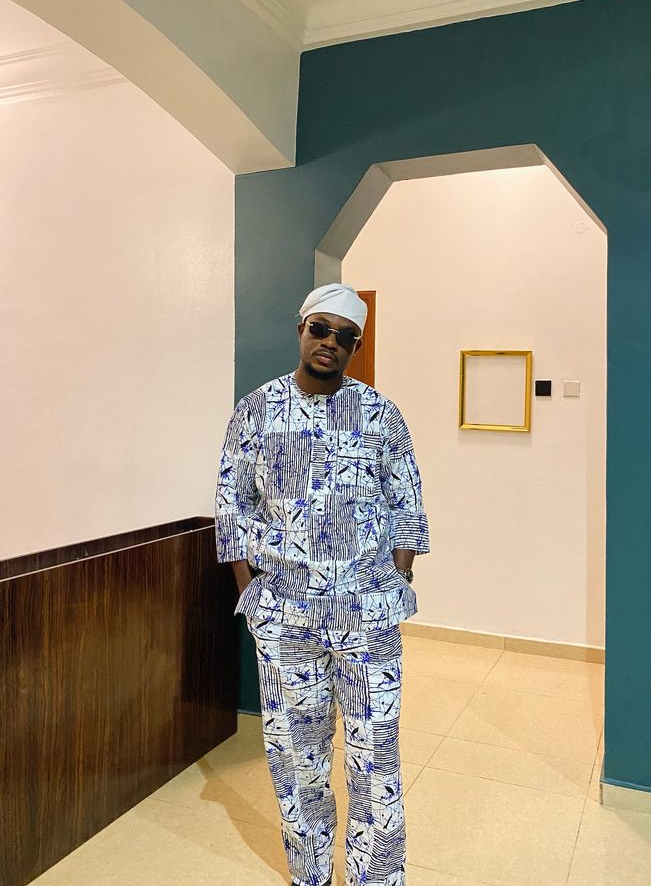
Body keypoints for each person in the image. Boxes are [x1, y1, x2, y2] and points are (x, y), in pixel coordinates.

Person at [214, 282, 430, 886]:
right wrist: (250, 593)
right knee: (296, 760)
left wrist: (397, 577)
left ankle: (374, 878)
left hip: (368, 619)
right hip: (286, 619)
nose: (331, 342)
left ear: (355, 347)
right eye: (321, 329)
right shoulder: (256, 411)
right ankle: (309, 875)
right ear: (301, 329)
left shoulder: (381, 415)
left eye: (346, 337)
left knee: (375, 758)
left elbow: (408, 503)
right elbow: (232, 506)